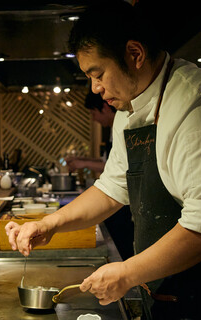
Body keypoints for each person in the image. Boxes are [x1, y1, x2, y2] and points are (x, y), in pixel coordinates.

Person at [6, 1, 201, 319]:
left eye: (98, 73)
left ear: (134, 54)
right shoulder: (128, 109)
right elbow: (111, 189)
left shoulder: (199, 104)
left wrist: (127, 273)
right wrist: (51, 224)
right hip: (160, 292)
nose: (96, 88)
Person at [66, 90, 134, 260]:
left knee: (125, 245)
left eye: (93, 113)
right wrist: (81, 159)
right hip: (118, 201)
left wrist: (83, 163)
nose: (93, 118)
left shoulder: (125, 125)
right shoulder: (114, 129)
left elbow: (119, 167)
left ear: (105, 107)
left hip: (124, 202)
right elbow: (108, 160)